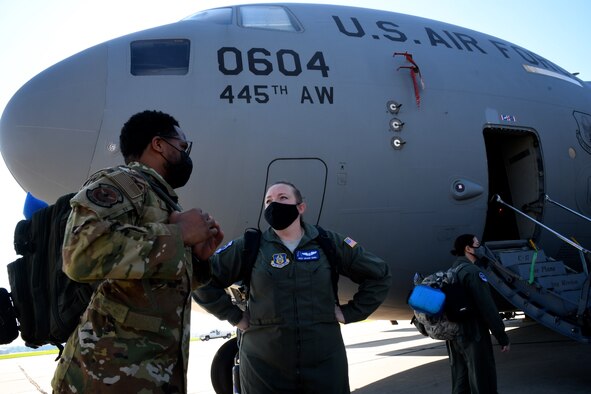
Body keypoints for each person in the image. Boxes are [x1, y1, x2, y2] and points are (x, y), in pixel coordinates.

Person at [51, 110, 224, 393]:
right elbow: (80, 255)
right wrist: (178, 235)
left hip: (148, 375)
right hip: (105, 378)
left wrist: (195, 257)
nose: (185, 155)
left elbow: (146, 287)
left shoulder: (161, 198)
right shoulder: (122, 183)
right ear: (158, 144)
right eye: (182, 147)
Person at [194, 181, 392, 394]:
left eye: (283, 198)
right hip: (264, 366)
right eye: (268, 201)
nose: (274, 204)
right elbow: (201, 280)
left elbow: (378, 274)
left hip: (323, 364)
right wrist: (235, 316)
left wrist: (350, 312)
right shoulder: (250, 246)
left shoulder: (328, 242)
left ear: (301, 207)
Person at [447, 234, 511, 394]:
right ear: (468, 249)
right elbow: (487, 307)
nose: (481, 248)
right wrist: (501, 336)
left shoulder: (453, 270)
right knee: (483, 379)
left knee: (461, 381)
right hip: (474, 334)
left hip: (455, 335)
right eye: (477, 244)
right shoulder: (473, 272)